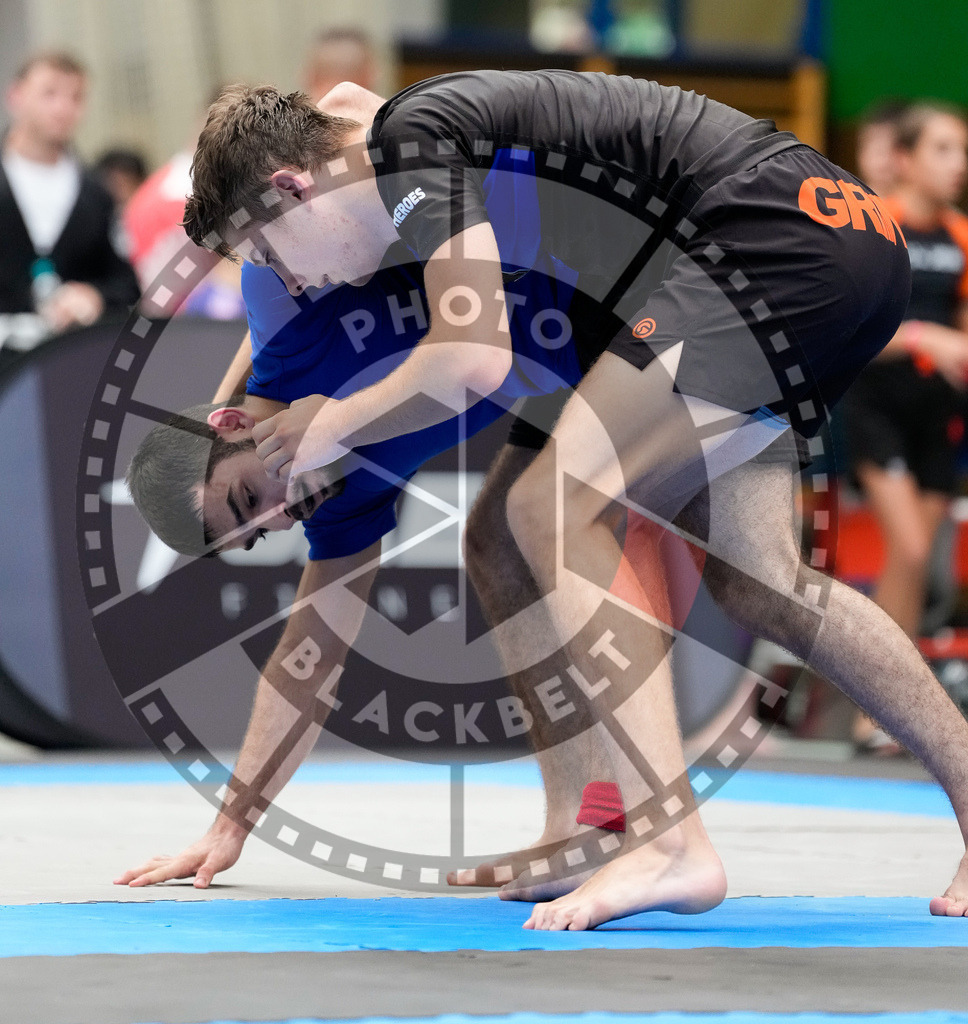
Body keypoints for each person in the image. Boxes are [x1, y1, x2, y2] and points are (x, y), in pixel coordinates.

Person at [178, 72, 968, 929]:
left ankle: (669, 844)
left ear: (291, 186)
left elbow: (471, 359)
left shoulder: (404, 144)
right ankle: (576, 830)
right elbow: (335, 99)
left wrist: (330, 423)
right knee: (733, 574)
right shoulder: (362, 146)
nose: (295, 282)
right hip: (739, 271)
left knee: (550, 505)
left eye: (273, 254)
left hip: (765, 238)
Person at [118, 228, 680, 892]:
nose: (280, 516)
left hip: (637, 294)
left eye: (247, 497)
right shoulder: (337, 501)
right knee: (500, 539)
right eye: (257, 535)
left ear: (232, 426)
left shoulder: (282, 306)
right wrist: (230, 828)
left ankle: (658, 839)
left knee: (756, 584)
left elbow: (340, 184)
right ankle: (576, 826)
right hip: (575, 356)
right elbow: (307, 660)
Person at [844, 102, 968, 755]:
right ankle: (876, 711)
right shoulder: (872, 226)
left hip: (937, 417)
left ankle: (899, 712)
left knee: (920, 567)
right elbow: (848, 328)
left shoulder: (961, 235)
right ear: (905, 158)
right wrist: (924, 336)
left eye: (963, 151)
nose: (959, 165)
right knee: (911, 551)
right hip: (876, 407)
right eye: (945, 150)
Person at [0, 52, 139, 386]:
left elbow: (127, 285)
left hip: (71, 364)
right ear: (15, 96)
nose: (63, 107)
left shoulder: (96, 193)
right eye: (49, 93)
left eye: (76, 97)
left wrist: (93, 296)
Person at [856, 99, 910, 198]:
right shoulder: (845, 202)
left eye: (891, 148)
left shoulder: (922, 210)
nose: (882, 160)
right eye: (873, 146)